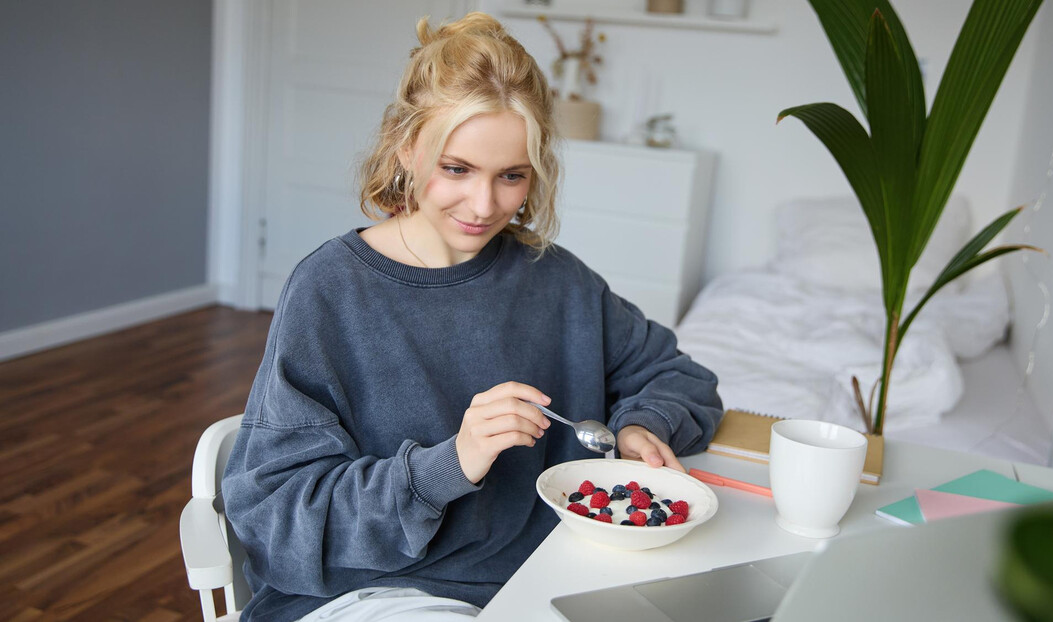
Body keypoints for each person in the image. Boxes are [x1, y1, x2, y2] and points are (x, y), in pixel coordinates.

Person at [222, 12, 723, 622]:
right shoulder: (330, 290)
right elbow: (279, 521)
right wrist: (448, 464)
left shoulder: (555, 277)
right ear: (406, 146)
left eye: (512, 176)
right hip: (381, 592)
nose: (485, 206)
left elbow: (676, 374)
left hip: (548, 577)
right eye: (457, 169)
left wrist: (645, 424)